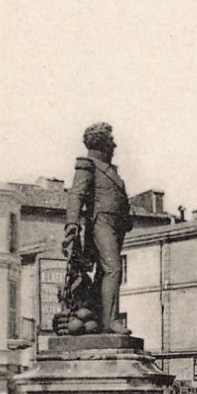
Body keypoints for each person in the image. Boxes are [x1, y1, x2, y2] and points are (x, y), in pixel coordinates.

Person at [64, 122, 133, 333]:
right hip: (100, 223)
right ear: (102, 142)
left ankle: (102, 320)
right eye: (111, 141)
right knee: (113, 268)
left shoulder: (110, 170)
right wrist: (72, 222)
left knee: (105, 272)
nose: (115, 145)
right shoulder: (88, 164)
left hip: (116, 225)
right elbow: (77, 194)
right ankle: (111, 321)